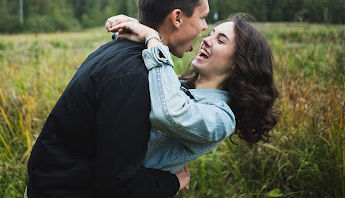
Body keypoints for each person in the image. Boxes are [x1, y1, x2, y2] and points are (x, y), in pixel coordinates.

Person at [26, 0, 211, 197]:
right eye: (203, 17)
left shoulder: (118, 50)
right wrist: (172, 181)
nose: (205, 27)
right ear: (177, 18)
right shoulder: (135, 76)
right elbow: (118, 185)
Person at [105, 13, 279, 173]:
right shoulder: (176, 84)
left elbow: (170, 113)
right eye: (211, 34)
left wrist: (153, 38)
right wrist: (129, 28)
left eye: (221, 41)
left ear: (237, 63)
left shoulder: (221, 118)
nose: (206, 40)